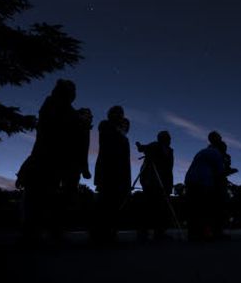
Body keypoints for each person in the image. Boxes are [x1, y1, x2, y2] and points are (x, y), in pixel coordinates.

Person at [16, 79, 85, 243]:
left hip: (54, 162)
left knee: (45, 199)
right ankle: (33, 233)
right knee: (37, 199)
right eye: (70, 91)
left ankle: (40, 232)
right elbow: (52, 132)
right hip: (46, 160)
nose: (72, 95)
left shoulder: (65, 110)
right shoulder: (53, 106)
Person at [92, 106, 131, 243]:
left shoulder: (123, 137)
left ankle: (111, 231)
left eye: (121, 114)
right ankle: (98, 232)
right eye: (117, 114)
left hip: (120, 173)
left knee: (116, 203)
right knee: (104, 202)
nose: (121, 117)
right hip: (107, 170)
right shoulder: (105, 125)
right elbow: (111, 138)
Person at [135, 131, 174, 241]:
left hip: (164, 181)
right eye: (166, 138)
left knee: (161, 207)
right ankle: (143, 231)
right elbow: (142, 148)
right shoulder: (154, 146)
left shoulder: (169, 151)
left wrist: (169, 185)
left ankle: (159, 232)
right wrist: (139, 146)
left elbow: (169, 168)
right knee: (150, 206)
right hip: (151, 180)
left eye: (168, 138)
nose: (168, 140)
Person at [184, 141, 225, 241]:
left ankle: (193, 233)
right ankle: (203, 234)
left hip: (190, 179)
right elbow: (220, 171)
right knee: (204, 207)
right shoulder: (217, 153)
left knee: (194, 207)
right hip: (202, 181)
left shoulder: (202, 151)